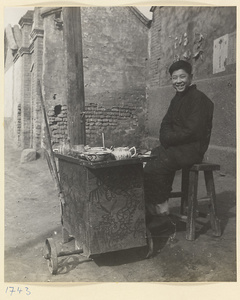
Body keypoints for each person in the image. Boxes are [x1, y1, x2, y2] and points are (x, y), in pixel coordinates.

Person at [144, 60, 214, 221]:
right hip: (177, 147)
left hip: (192, 149)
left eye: (182, 77)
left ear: (190, 77)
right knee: (151, 158)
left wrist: (168, 139)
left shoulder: (199, 99)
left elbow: (192, 131)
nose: (178, 81)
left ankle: (160, 206)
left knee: (160, 162)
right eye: (174, 78)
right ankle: (155, 204)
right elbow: (165, 124)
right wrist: (166, 138)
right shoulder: (176, 99)